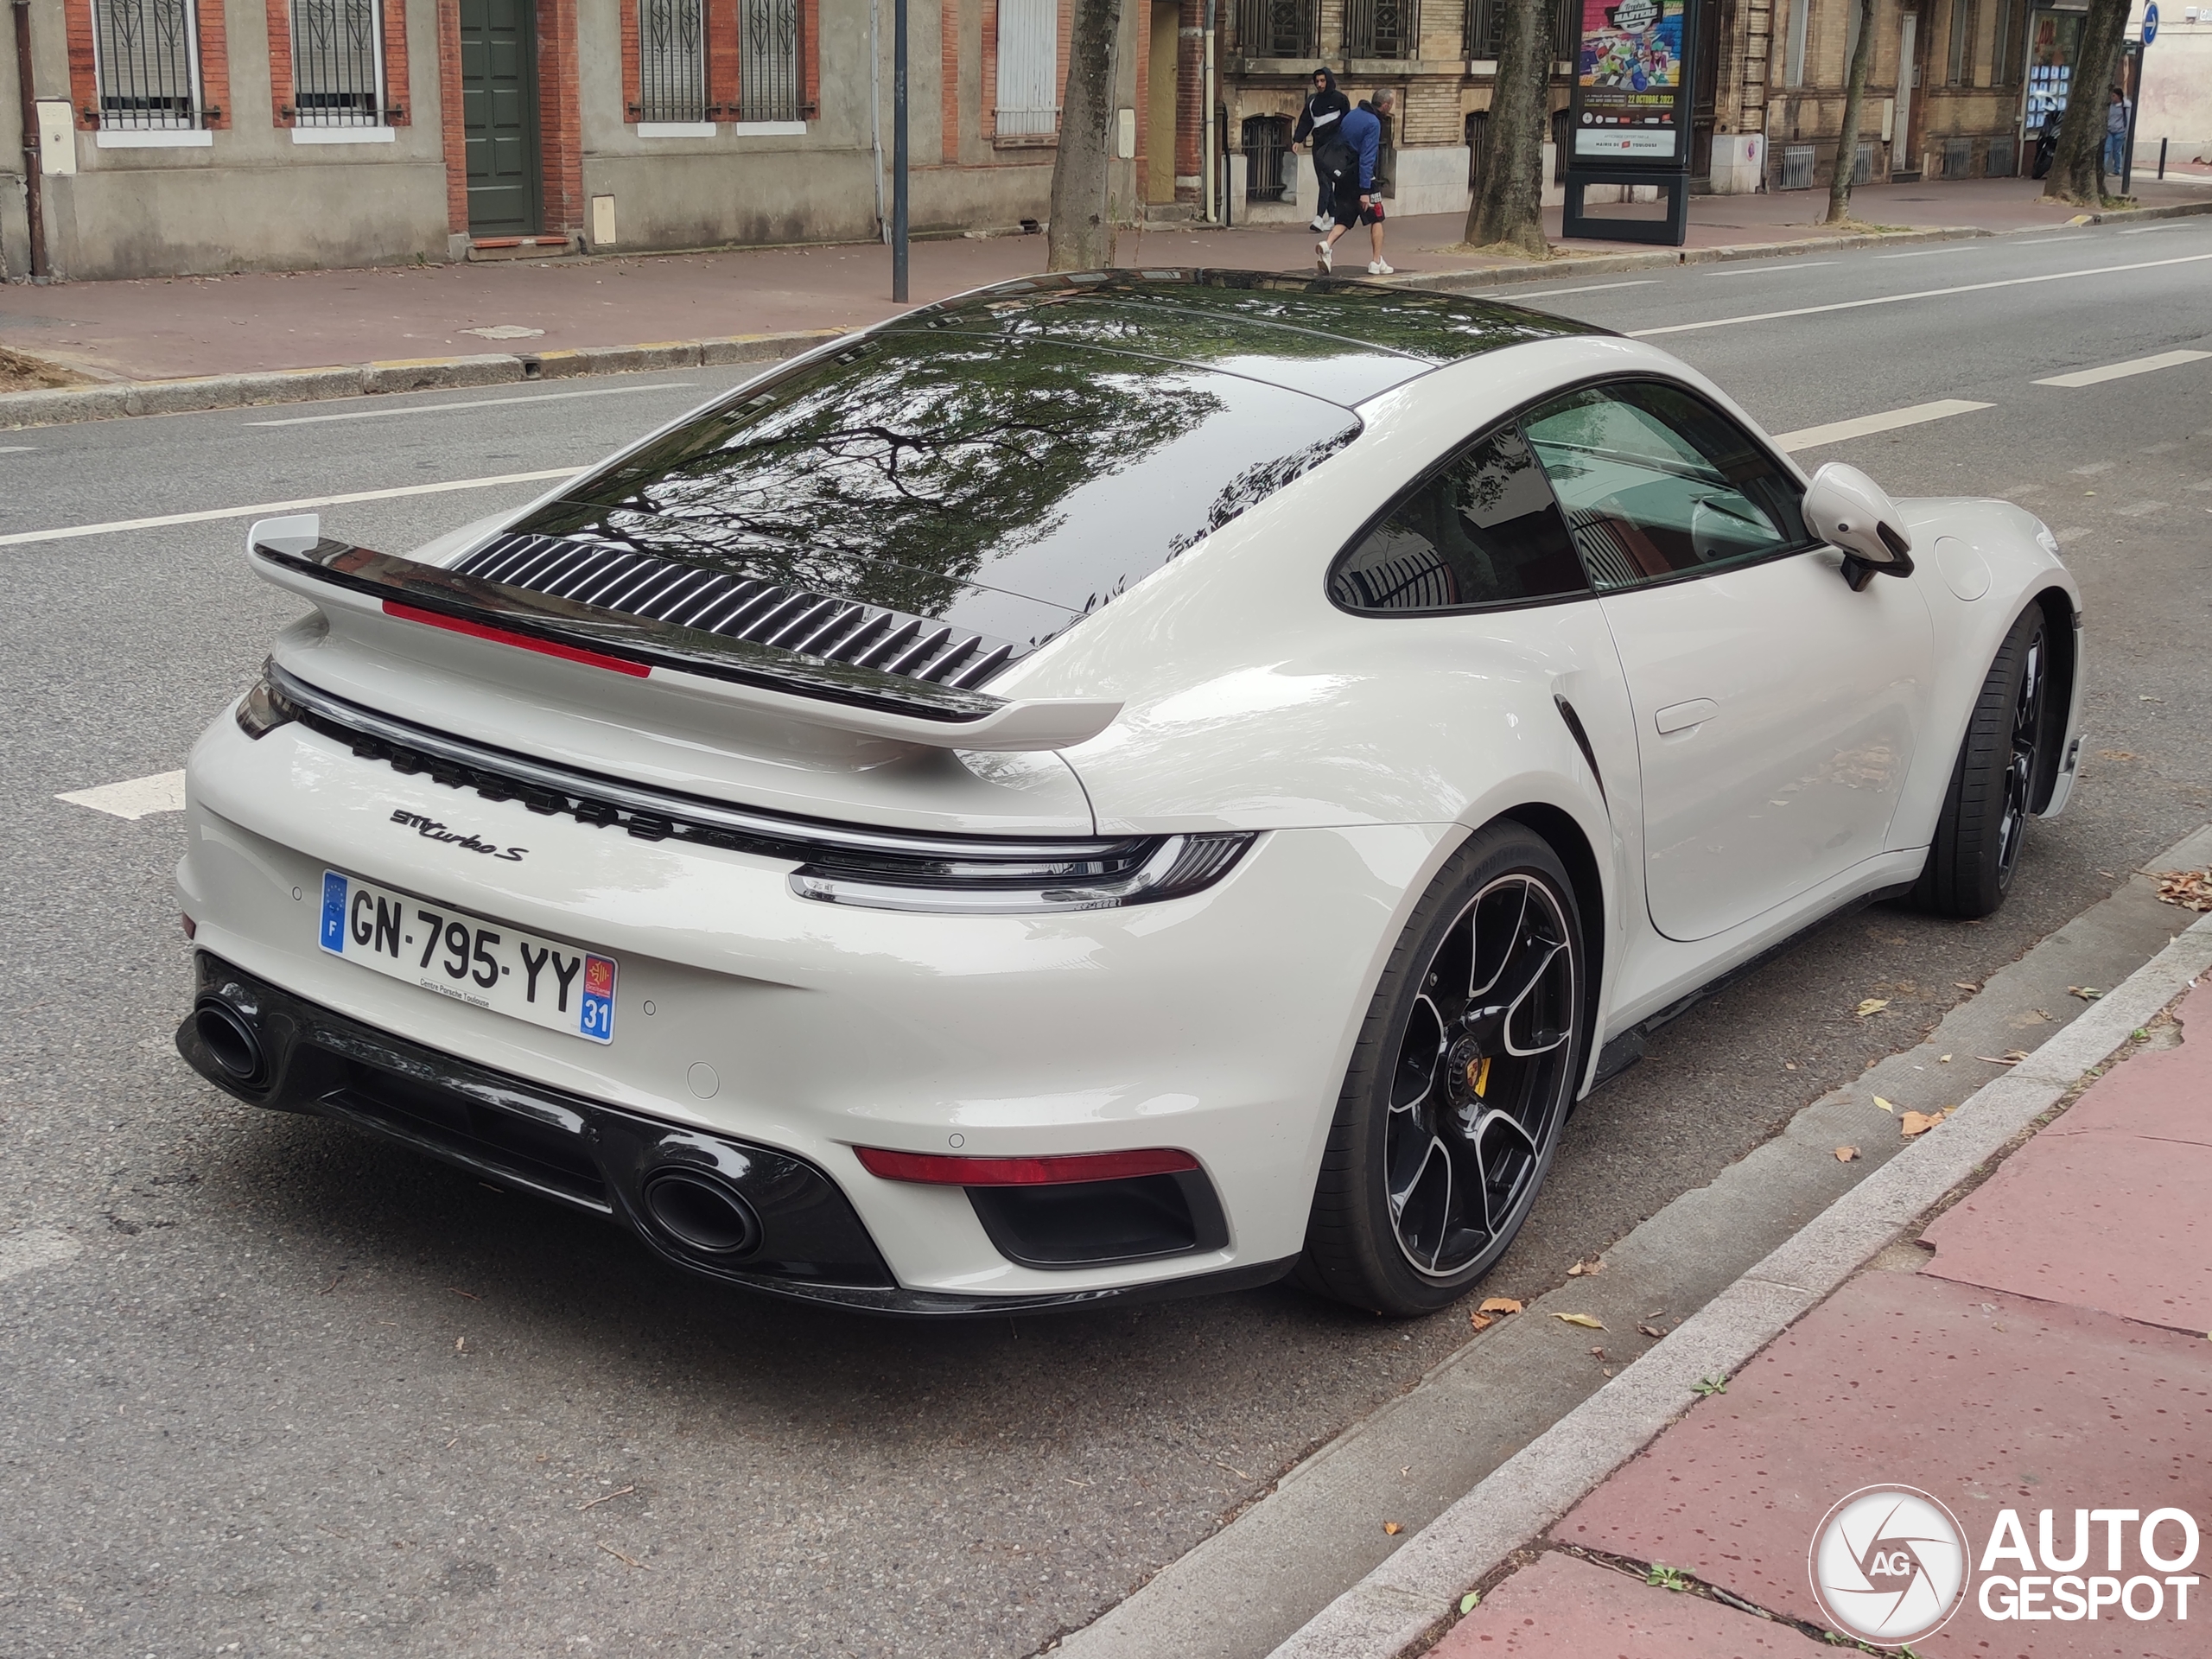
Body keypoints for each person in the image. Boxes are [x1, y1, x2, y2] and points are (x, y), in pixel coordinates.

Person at [1316, 89, 1395, 276]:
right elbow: (1367, 158)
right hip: (1362, 178)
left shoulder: (1353, 115)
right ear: (1385, 105)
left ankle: (1327, 245)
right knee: (1377, 217)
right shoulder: (1373, 123)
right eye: (1391, 105)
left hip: (1344, 176)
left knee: (1344, 217)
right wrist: (1365, 191)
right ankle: (1376, 262)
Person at [1294, 68, 1351, 232]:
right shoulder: (1312, 101)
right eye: (1317, 81)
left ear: (1329, 81)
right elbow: (1306, 121)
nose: (1319, 84)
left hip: (1334, 146)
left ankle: (1319, 218)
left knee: (1326, 181)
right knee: (1322, 180)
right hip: (1318, 146)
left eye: (1322, 81)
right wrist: (1298, 139)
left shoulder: (1341, 99)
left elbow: (1347, 123)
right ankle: (1333, 216)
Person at [2105, 85, 2132, 181]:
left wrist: (2126, 132)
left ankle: (2117, 169)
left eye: (2114, 96)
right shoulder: (2110, 106)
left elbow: (2128, 119)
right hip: (2110, 130)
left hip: (2120, 131)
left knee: (2117, 151)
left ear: (2119, 96)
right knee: (2106, 149)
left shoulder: (2125, 106)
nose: (2112, 98)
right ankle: (2102, 168)